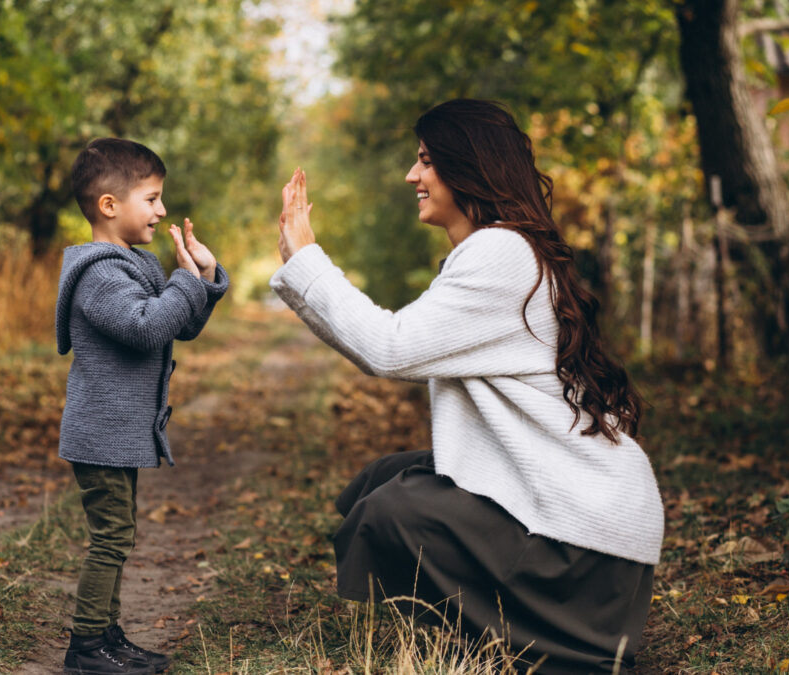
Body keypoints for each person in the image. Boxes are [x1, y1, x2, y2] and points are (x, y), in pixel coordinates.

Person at [270, 99, 664, 674]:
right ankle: (476, 628)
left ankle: (535, 640)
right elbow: (383, 351)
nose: (413, 175)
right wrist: (299, 268)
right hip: (588, 540)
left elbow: (389, 348)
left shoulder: (501, 252)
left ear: (468, 168)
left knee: (396, 508)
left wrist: (310, 259)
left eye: (427, 161)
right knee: (385, 478)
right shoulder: (500, 249)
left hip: (584, 557)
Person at [56, 138, 229, 674]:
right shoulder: (99, 274)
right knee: (111, 538)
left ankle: (107, 635)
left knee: (118, 534)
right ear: (109, 205)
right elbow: (146, 327)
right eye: (151, 199)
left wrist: (203, 276)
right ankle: (87, 647)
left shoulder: (137, 264)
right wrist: (183, 282)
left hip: (119, 433)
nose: (161, 209)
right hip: (100, 433)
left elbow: (181, 324)